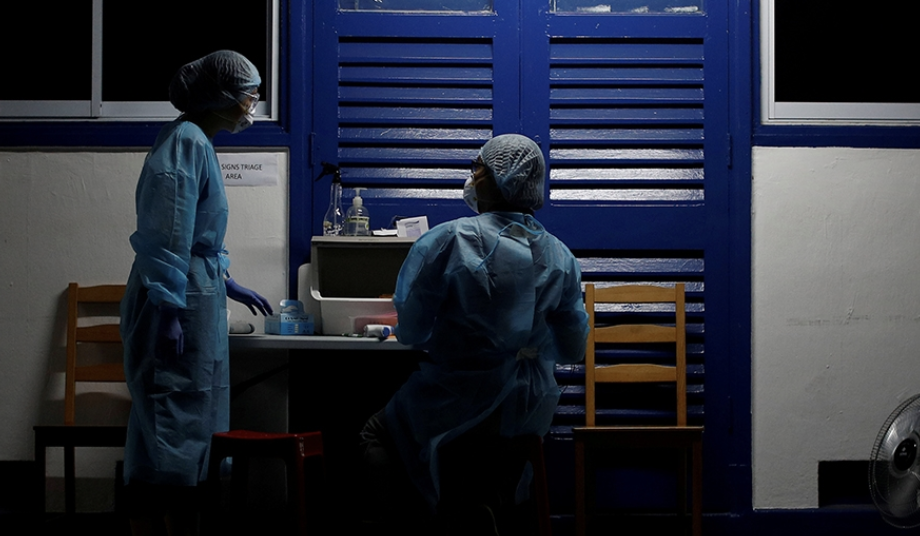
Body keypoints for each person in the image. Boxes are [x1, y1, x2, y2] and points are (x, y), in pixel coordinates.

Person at [360, 134, 589, 534]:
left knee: (375, 433)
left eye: (477, 167)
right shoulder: (561, 256)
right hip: (526, 407)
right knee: (492, 453)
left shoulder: (449, 239)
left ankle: (413, 522)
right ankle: (485, 504)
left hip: (459, 398)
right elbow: (572, 348)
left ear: (502, 177)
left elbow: (412, 330)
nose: (471, 175)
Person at [120, 50, 273, 535]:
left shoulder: (198, 142)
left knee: (191, 413)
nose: (253, 101)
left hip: (191, 292)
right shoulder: (185, 141)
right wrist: (168, 306)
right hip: (176, 298)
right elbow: (167, 232)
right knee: (174, 413)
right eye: (249, 92)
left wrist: (224, 278)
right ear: (220, 96)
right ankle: (166, 525)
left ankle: (171, 522)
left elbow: (196, 229)